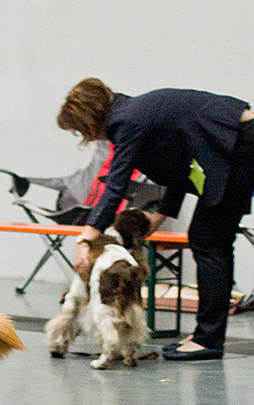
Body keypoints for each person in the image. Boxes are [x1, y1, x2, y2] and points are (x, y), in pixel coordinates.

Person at [59, 77, 254, 361]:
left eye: (79, 130)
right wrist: (157, 219)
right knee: (213, 240)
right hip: (240, 140)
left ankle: (208, 340)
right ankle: (207, 337)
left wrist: (86, 239)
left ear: (88, 120)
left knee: (208, 239)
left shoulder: (127, 122)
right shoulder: (137, 114)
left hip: (240, 141)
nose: (84, 138)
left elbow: (115, 185)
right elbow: (181, 171)